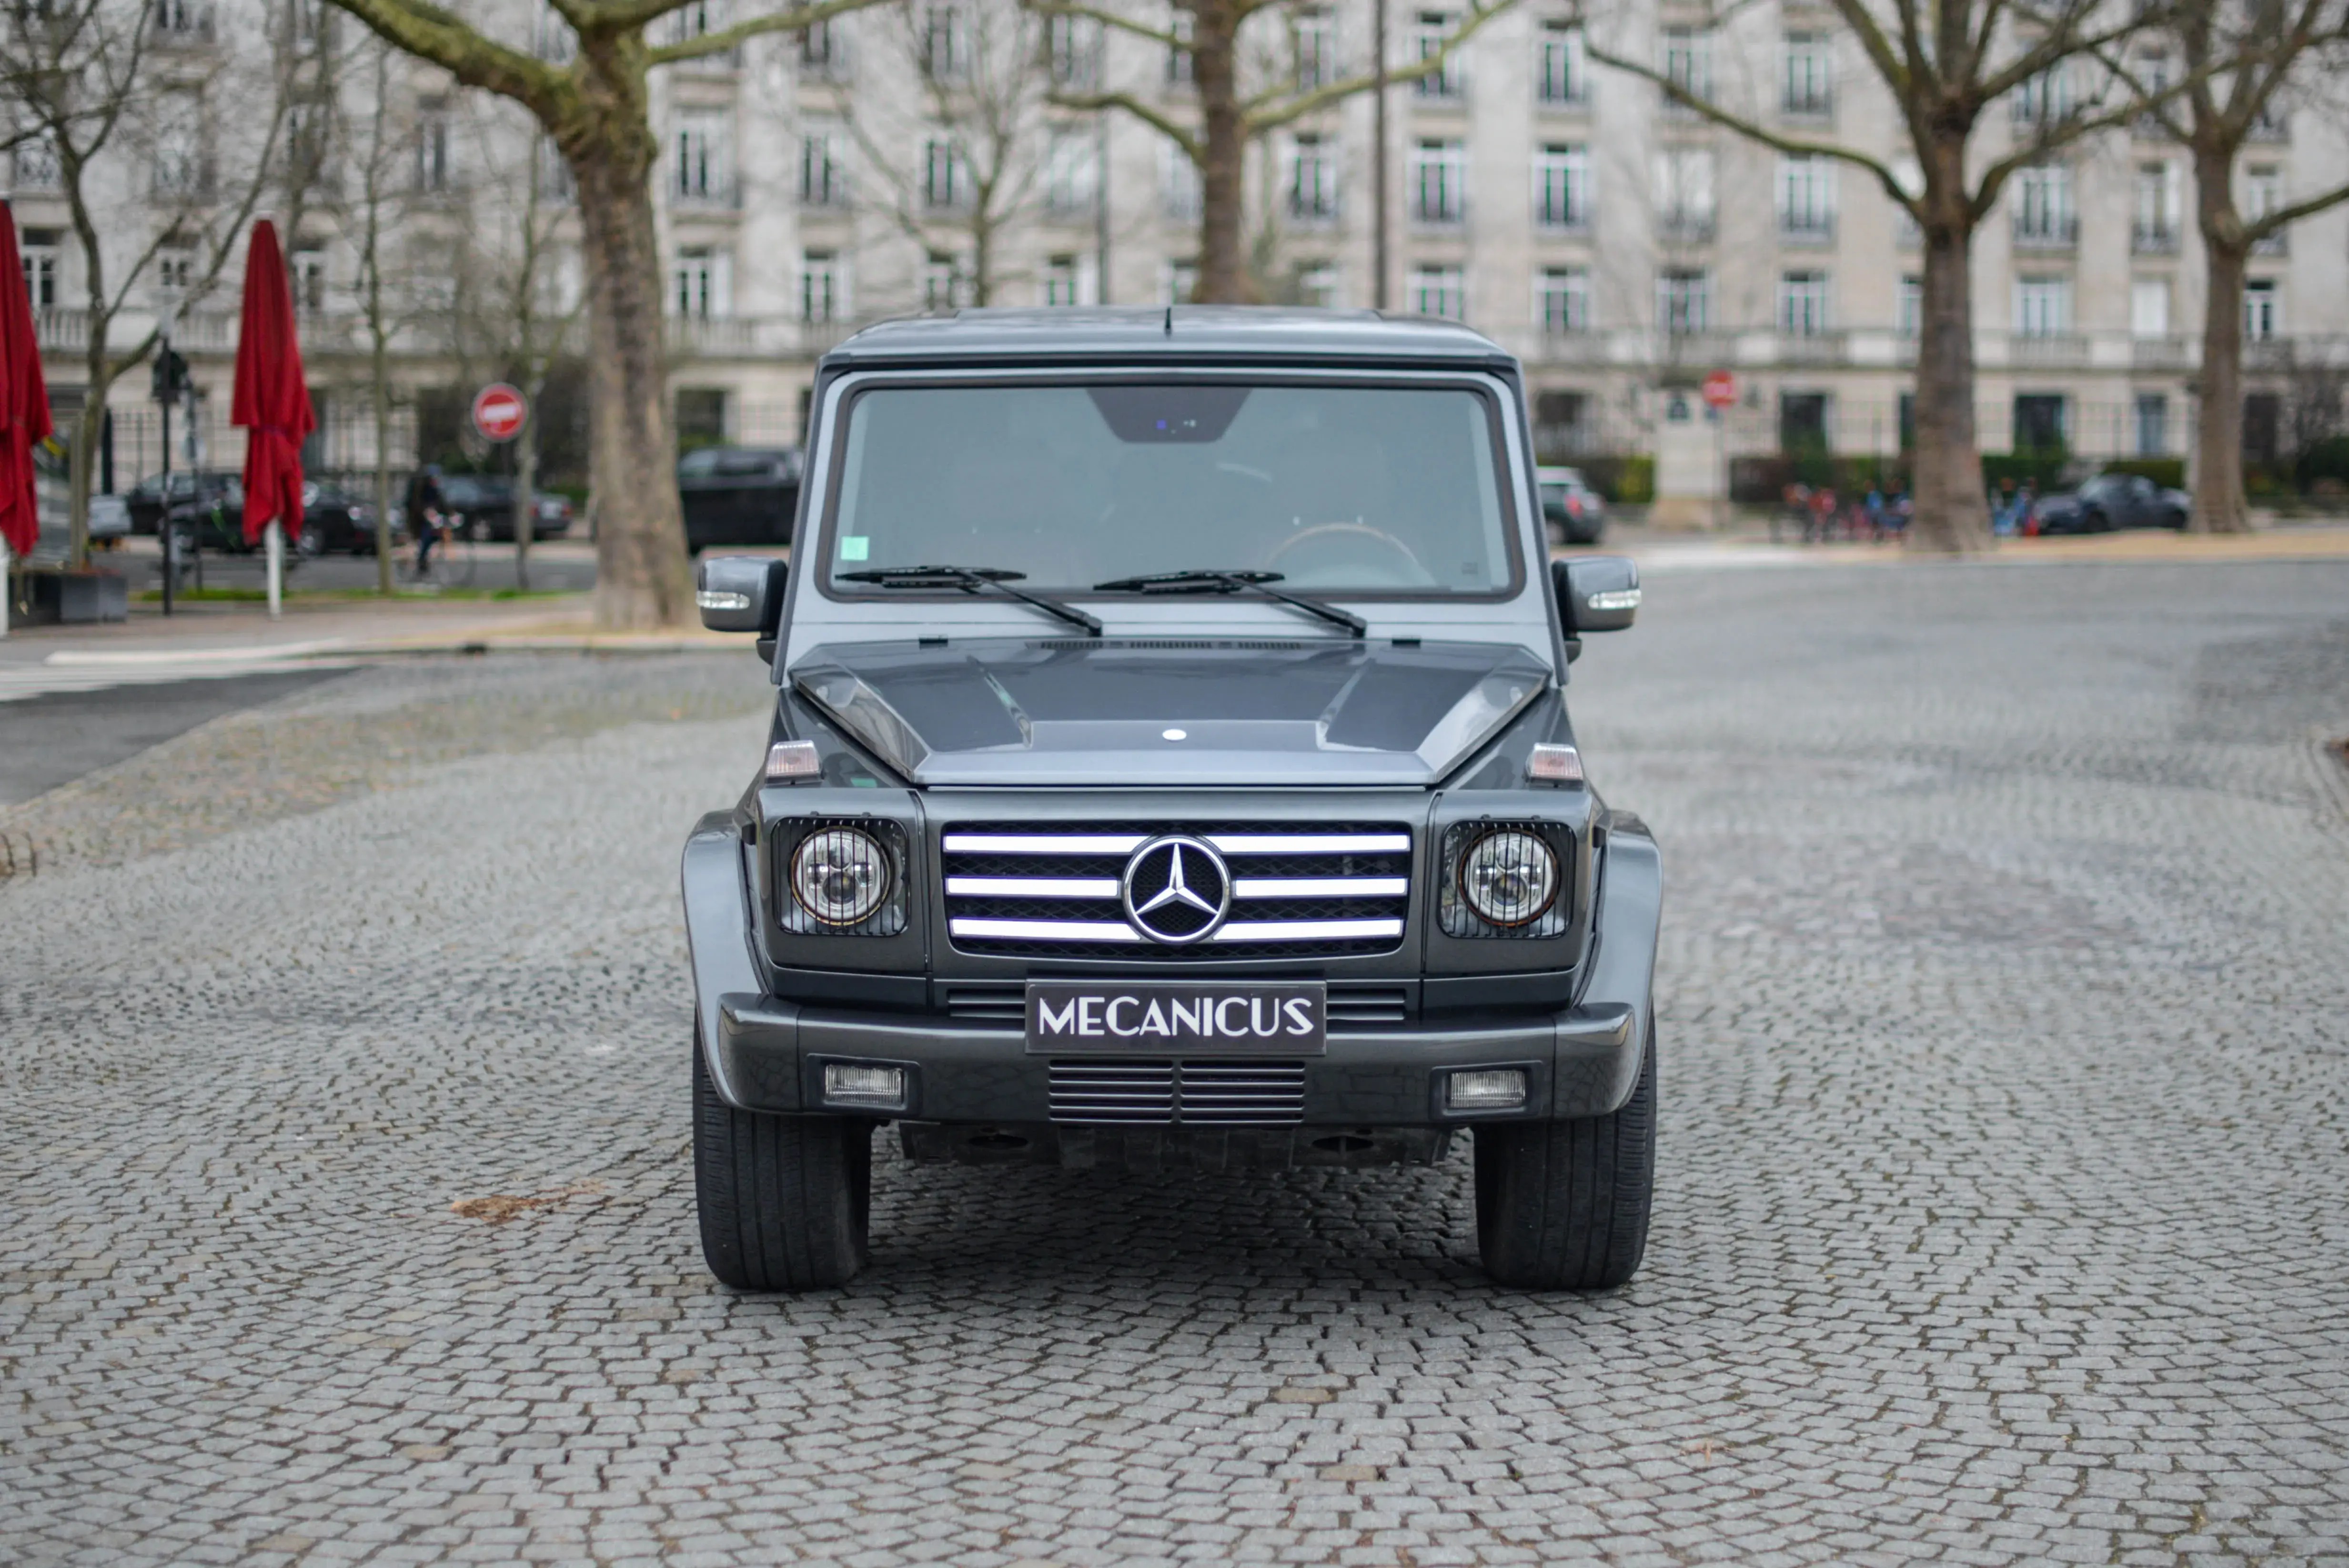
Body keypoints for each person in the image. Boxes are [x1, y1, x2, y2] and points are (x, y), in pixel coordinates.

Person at [406, 464, 447, 576]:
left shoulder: (435, 490)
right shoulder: (419, 490)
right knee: (427, 535)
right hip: (418, 520)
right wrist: (425, 512)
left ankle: (424, 556)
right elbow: (416, 505)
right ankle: (421, 559)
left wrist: (451, 514)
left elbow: (442, 504)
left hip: (432, 519)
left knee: (436, 535)